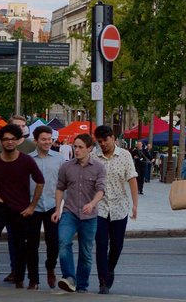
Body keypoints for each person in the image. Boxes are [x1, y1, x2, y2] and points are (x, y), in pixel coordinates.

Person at [0, 124, 44, 289]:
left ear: (17, 141)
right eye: (5, 139)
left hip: (20, 208)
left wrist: (32, 206)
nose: (9, 142)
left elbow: (40, 181)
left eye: (13, 139)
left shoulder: (26, 160)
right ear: (0, 142)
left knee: (19, 244)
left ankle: (20, 277)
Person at [53, 134, 106, 293]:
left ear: (90, 148)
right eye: (75, 146)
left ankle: (81, 285)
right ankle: (69, 277)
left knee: (86, 253)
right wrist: (57, 209)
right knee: (63, 242)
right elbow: (60, 188)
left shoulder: (99, 167)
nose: (76, 150)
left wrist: (92, 204)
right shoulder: (66, 167)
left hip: (89, 216)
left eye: (80, 147)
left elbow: (101, 190)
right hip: (70, 212)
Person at [92, 125, 138, 294]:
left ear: (113, 138)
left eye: (105, 140)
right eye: (100, 141)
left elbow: (132, 179)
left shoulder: (125, 155)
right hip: (100, 208)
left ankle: (110, 268)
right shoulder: (94, 157)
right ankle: (103, 280)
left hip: (119, 207)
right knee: (101, 244)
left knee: (117, 245)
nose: (103, 144)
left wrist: (135, 205)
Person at [27, 126, 64, 290]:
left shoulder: (59, 158)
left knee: (53, 242)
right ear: (36, 140)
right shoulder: (28, 159)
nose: (47, 142)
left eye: (50, 139)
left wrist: (61, 205)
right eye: (44, 139)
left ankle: (50, 267)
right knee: (32, 244)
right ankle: (33, 279)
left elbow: (64, 183)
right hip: (32, 207)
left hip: (52, 206)